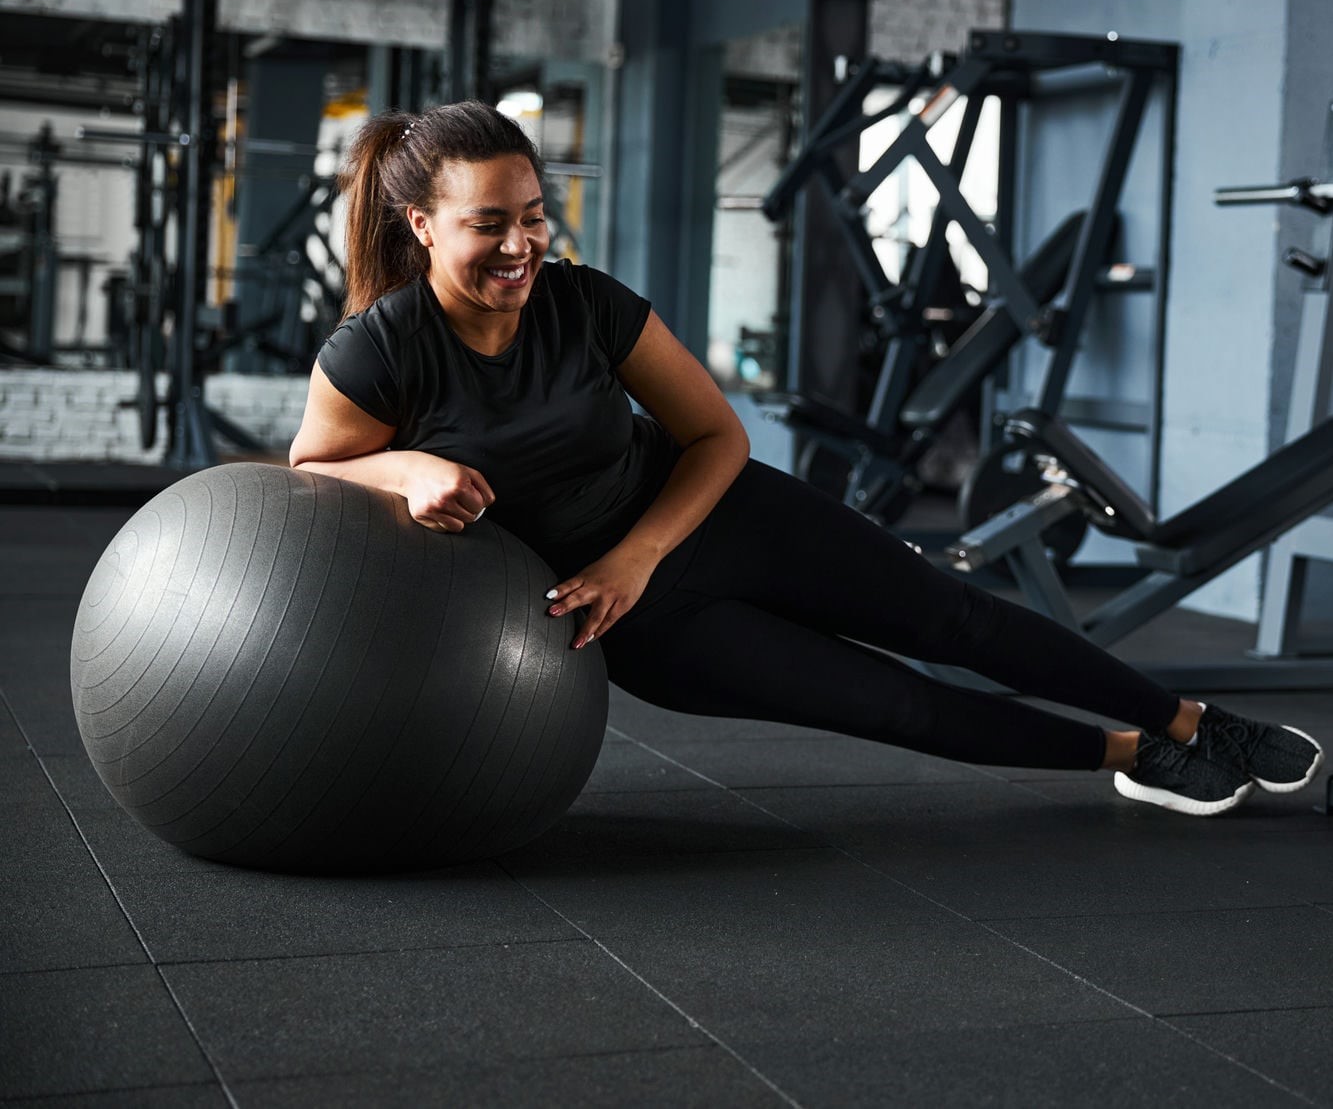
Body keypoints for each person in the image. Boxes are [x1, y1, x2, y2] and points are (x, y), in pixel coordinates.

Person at [289, 101, 1324, 818]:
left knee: (948, 617)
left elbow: (716, 435)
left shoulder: (582, 300)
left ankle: (1194, 718)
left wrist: (637, 552)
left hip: (714, 517)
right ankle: (1135, 756)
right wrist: (403, 470)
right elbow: (304, 476)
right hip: (640, 626)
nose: (520, 247)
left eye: (533, 218)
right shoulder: (377, 351)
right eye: (487, 226)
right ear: (421, 224)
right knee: (894, 703)